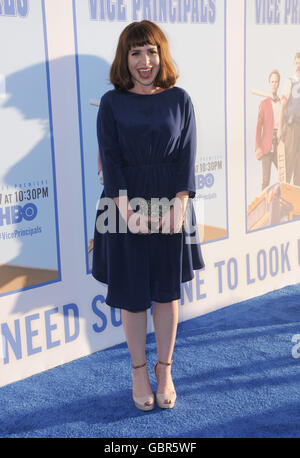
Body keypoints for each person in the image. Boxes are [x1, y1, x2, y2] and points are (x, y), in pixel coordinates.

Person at [92, 20, 205, 411]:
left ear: (162, 55)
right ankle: (139, 369)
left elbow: (187, 156)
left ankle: (165, 368)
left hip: (171, 203)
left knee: (166, 291)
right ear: (125, 58)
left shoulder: (180, 99)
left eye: (151, 52)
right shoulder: (111, 103)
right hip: (125, 204)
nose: (145, 61)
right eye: (136, 53)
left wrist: (180, 204)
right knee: (132, 295)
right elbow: (112, 160)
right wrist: (128, 212)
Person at [255, 70, 281, 190]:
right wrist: (258, 147)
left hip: (279, 146)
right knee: (266, 180)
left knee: (284, 176)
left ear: (278, 84)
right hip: (266, 147)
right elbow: (258, 127)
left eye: (276, 81)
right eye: (272, 81)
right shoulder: (264, 103)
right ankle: (264, 206)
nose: (274, 84)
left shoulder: (282, 103)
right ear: (269, 84)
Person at [278, 52, 300, 185]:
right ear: (294, 64)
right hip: (291, 127)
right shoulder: (290, 81)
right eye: (296, 63)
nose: (298, 65)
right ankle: (284, 196)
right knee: (289, 162)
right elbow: (282, 105)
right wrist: (280, 128)